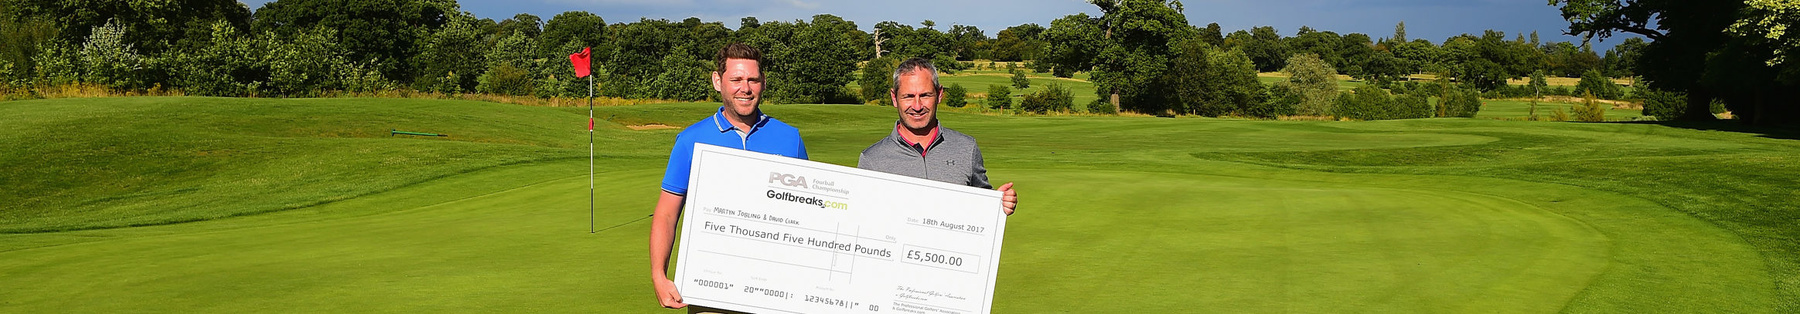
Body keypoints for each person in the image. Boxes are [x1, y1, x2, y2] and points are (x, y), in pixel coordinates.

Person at [648, 43, 806, 311]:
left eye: (753, 80)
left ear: (763, 83)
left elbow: (807, 214)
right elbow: (666, 214)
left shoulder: (790, 138)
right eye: (736, 79)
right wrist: (658, 276)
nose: (745, 88)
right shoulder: (690, 140)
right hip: (711, 291)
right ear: (717, 82)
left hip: (775, 292)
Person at [858, 57, 1018, 215]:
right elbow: (862, 218)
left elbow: (983, 207)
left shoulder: (966, 147)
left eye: (925, 95)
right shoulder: (871, 160)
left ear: (939, 94)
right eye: (908, 96)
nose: (917, 106)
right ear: (894, 98)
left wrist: (999, 204)